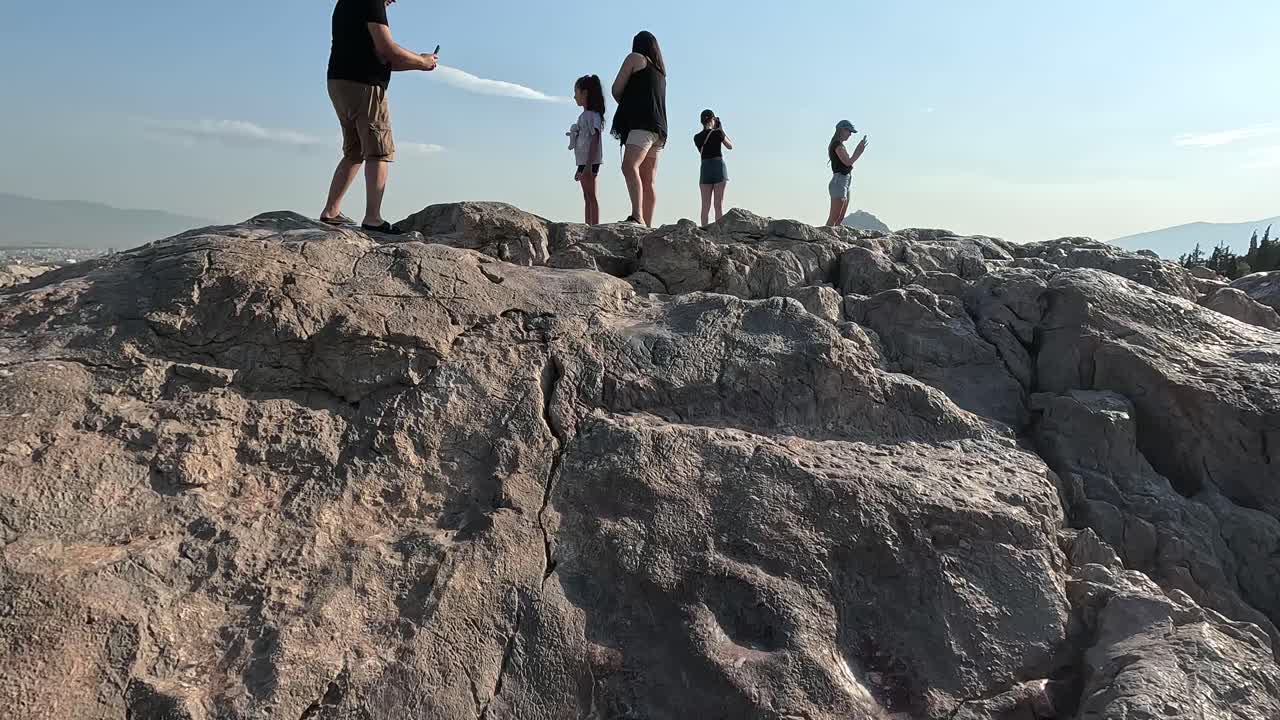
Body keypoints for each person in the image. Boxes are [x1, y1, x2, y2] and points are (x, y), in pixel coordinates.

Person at [320, 0, 438, 234]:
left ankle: (331, 211)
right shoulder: (372, 2)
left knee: (354, 151)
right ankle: (373, 218)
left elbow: (378, 57)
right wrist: (422, 61)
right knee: (379, 151)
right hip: (364, 85)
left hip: (339, 82)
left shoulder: (346, 3)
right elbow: (387, 49)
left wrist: (419, 64)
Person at [611, 31, 668, 227]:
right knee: (648, 180)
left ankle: (637, 216)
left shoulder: (635, 58)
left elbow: (616, 89)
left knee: (629, 166)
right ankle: (648, 227)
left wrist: (627, 105)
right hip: (659, 129)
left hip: (642, 124)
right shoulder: (660, 72)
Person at [568, 75, 607, 225]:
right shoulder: (584, 116)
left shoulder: (592, 116)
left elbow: (595, 138)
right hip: (584, 161)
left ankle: (594, 225)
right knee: (586, 196)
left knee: (591, 195)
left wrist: (589, 165)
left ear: (585, 93)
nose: (574, 96)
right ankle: (588, 224)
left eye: (576, 92)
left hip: (589, 161)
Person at [825, 120, 869, 227]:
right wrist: (859, 150)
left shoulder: (840, 145)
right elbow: (847, 162)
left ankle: (834, 234)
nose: (850, 134)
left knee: (840, 218)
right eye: (849, 131)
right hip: (839, 181)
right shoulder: (837, 145)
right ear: (841, 130)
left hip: (845, 181)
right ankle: (826, 234)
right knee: (834, 217)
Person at [693, 109, 733, 226]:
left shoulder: (697, 137)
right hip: (718, 167)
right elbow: (730, 146)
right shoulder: (718, 133)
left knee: (705, 206)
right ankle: (719, 232)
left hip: (705, 168)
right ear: (713, 119)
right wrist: (721, 129)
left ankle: (703, 230)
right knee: (718, 205)